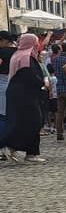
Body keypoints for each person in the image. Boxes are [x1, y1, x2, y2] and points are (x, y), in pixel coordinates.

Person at [0, 34, 47, 163]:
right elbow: (30, 76)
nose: (38, 45)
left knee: (23, 122)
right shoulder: (26, 58)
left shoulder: (18, 55)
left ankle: (28, 151)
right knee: (34, 122)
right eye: (36, 42)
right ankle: (12, 146)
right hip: (25, 95)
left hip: (17, 93)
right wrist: (43, 83)